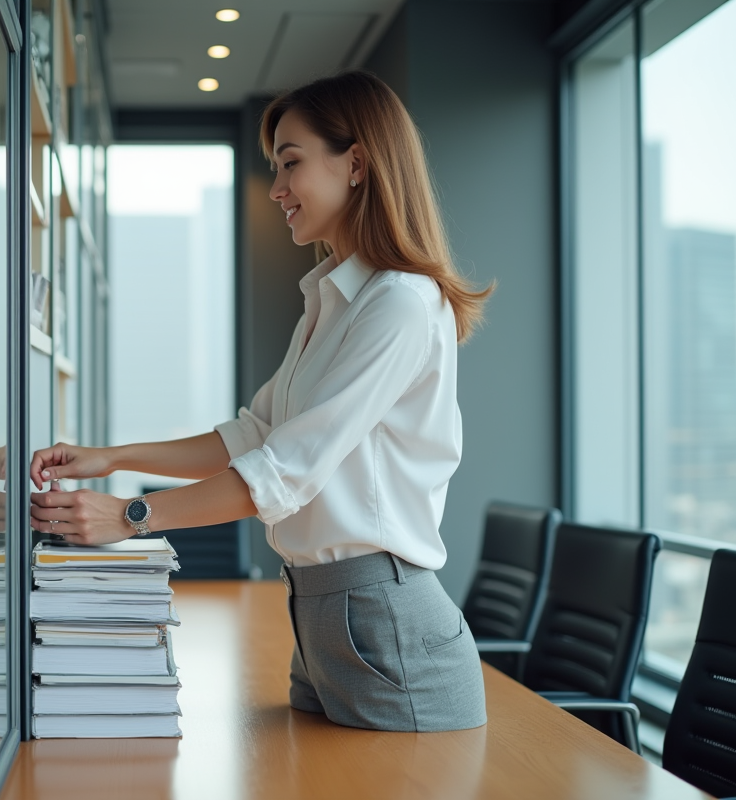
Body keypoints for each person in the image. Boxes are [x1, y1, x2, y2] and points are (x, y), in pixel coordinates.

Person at [27, 71, 492, 733]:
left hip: (384, 624)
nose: (276, 189)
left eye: (290, 164)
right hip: (321, 612)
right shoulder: (332, 303)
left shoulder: (400, 303)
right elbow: (252, 437)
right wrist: (110, 457)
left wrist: (130, 515)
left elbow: (283, 473)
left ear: (356, 163)